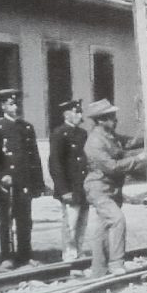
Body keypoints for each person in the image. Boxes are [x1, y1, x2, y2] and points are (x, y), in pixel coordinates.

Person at [82, 99, 147, 277]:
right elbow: (111, 166)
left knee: (103, 226)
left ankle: (98, 268)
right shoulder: (95, 142)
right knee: (117, 220)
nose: (116, 119)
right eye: (111, 117)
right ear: (101, 120)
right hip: (98, 188)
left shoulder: (110, 136)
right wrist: (138, 159)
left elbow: (129, 143)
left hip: (111, 187)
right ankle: (116, 263)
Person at [0, 88, 46, 267]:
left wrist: (38, 183)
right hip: (6, 184)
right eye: (11, 104)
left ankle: (25, 255)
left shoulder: (27, 127)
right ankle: (7, 256)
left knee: (25, 219)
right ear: (3, 106)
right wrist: (2, 176)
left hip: (25, 182)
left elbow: (34, 158)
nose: (15, 106)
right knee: (6, 221)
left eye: (17, 103)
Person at [47, 99, 89, 263]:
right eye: (76, 112)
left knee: (82, 222)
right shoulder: (59, 134)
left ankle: (78, 250)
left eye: (80, 112)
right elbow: (55, 164)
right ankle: (69, 253)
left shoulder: (82, 133)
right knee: (70, 223)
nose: (80, 115)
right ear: (67, 114)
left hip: (83, 186)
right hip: (70, 187)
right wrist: (63, 190)